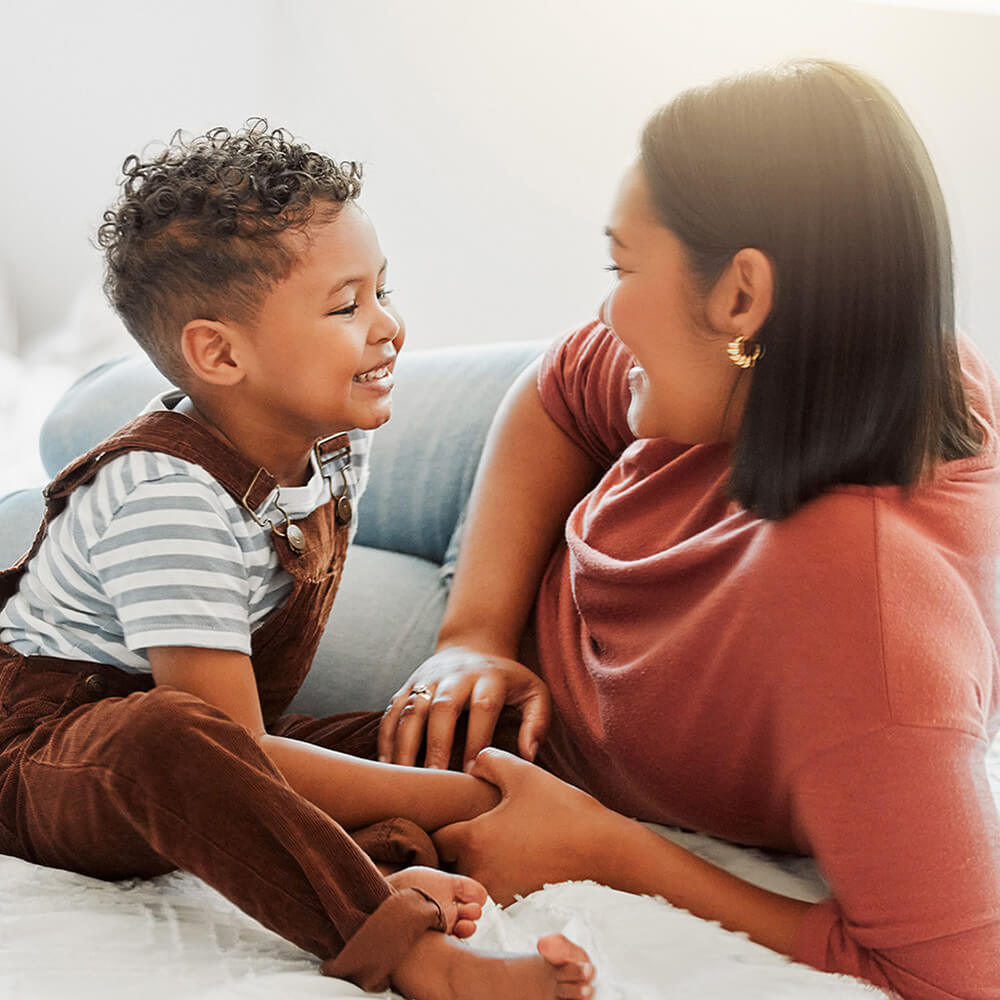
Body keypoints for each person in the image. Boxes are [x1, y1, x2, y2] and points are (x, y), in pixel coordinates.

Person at [378, 60, 1000, 1000]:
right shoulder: (805, 370)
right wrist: (472, 632)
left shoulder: (864, 600)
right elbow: (563, 384)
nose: (603, 304)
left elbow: (953, 969)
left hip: (548, 683)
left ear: (743, 297)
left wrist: (605, 848)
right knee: (110, 415)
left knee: (176, 481)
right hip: (536, 500)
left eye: (623, 268)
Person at [0, 122, 595, 1000]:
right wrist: (464, 801)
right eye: (346, 305)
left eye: (383, 289)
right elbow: (230, 750)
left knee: (448, 733)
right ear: (220, 353)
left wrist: (466, 771)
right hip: (53, 755)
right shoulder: (169, 499)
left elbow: (251, 743)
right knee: (171, 739)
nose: (389, 326)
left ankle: (394, 848)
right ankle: (408, 951)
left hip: (222, 734)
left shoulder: (329, 442)